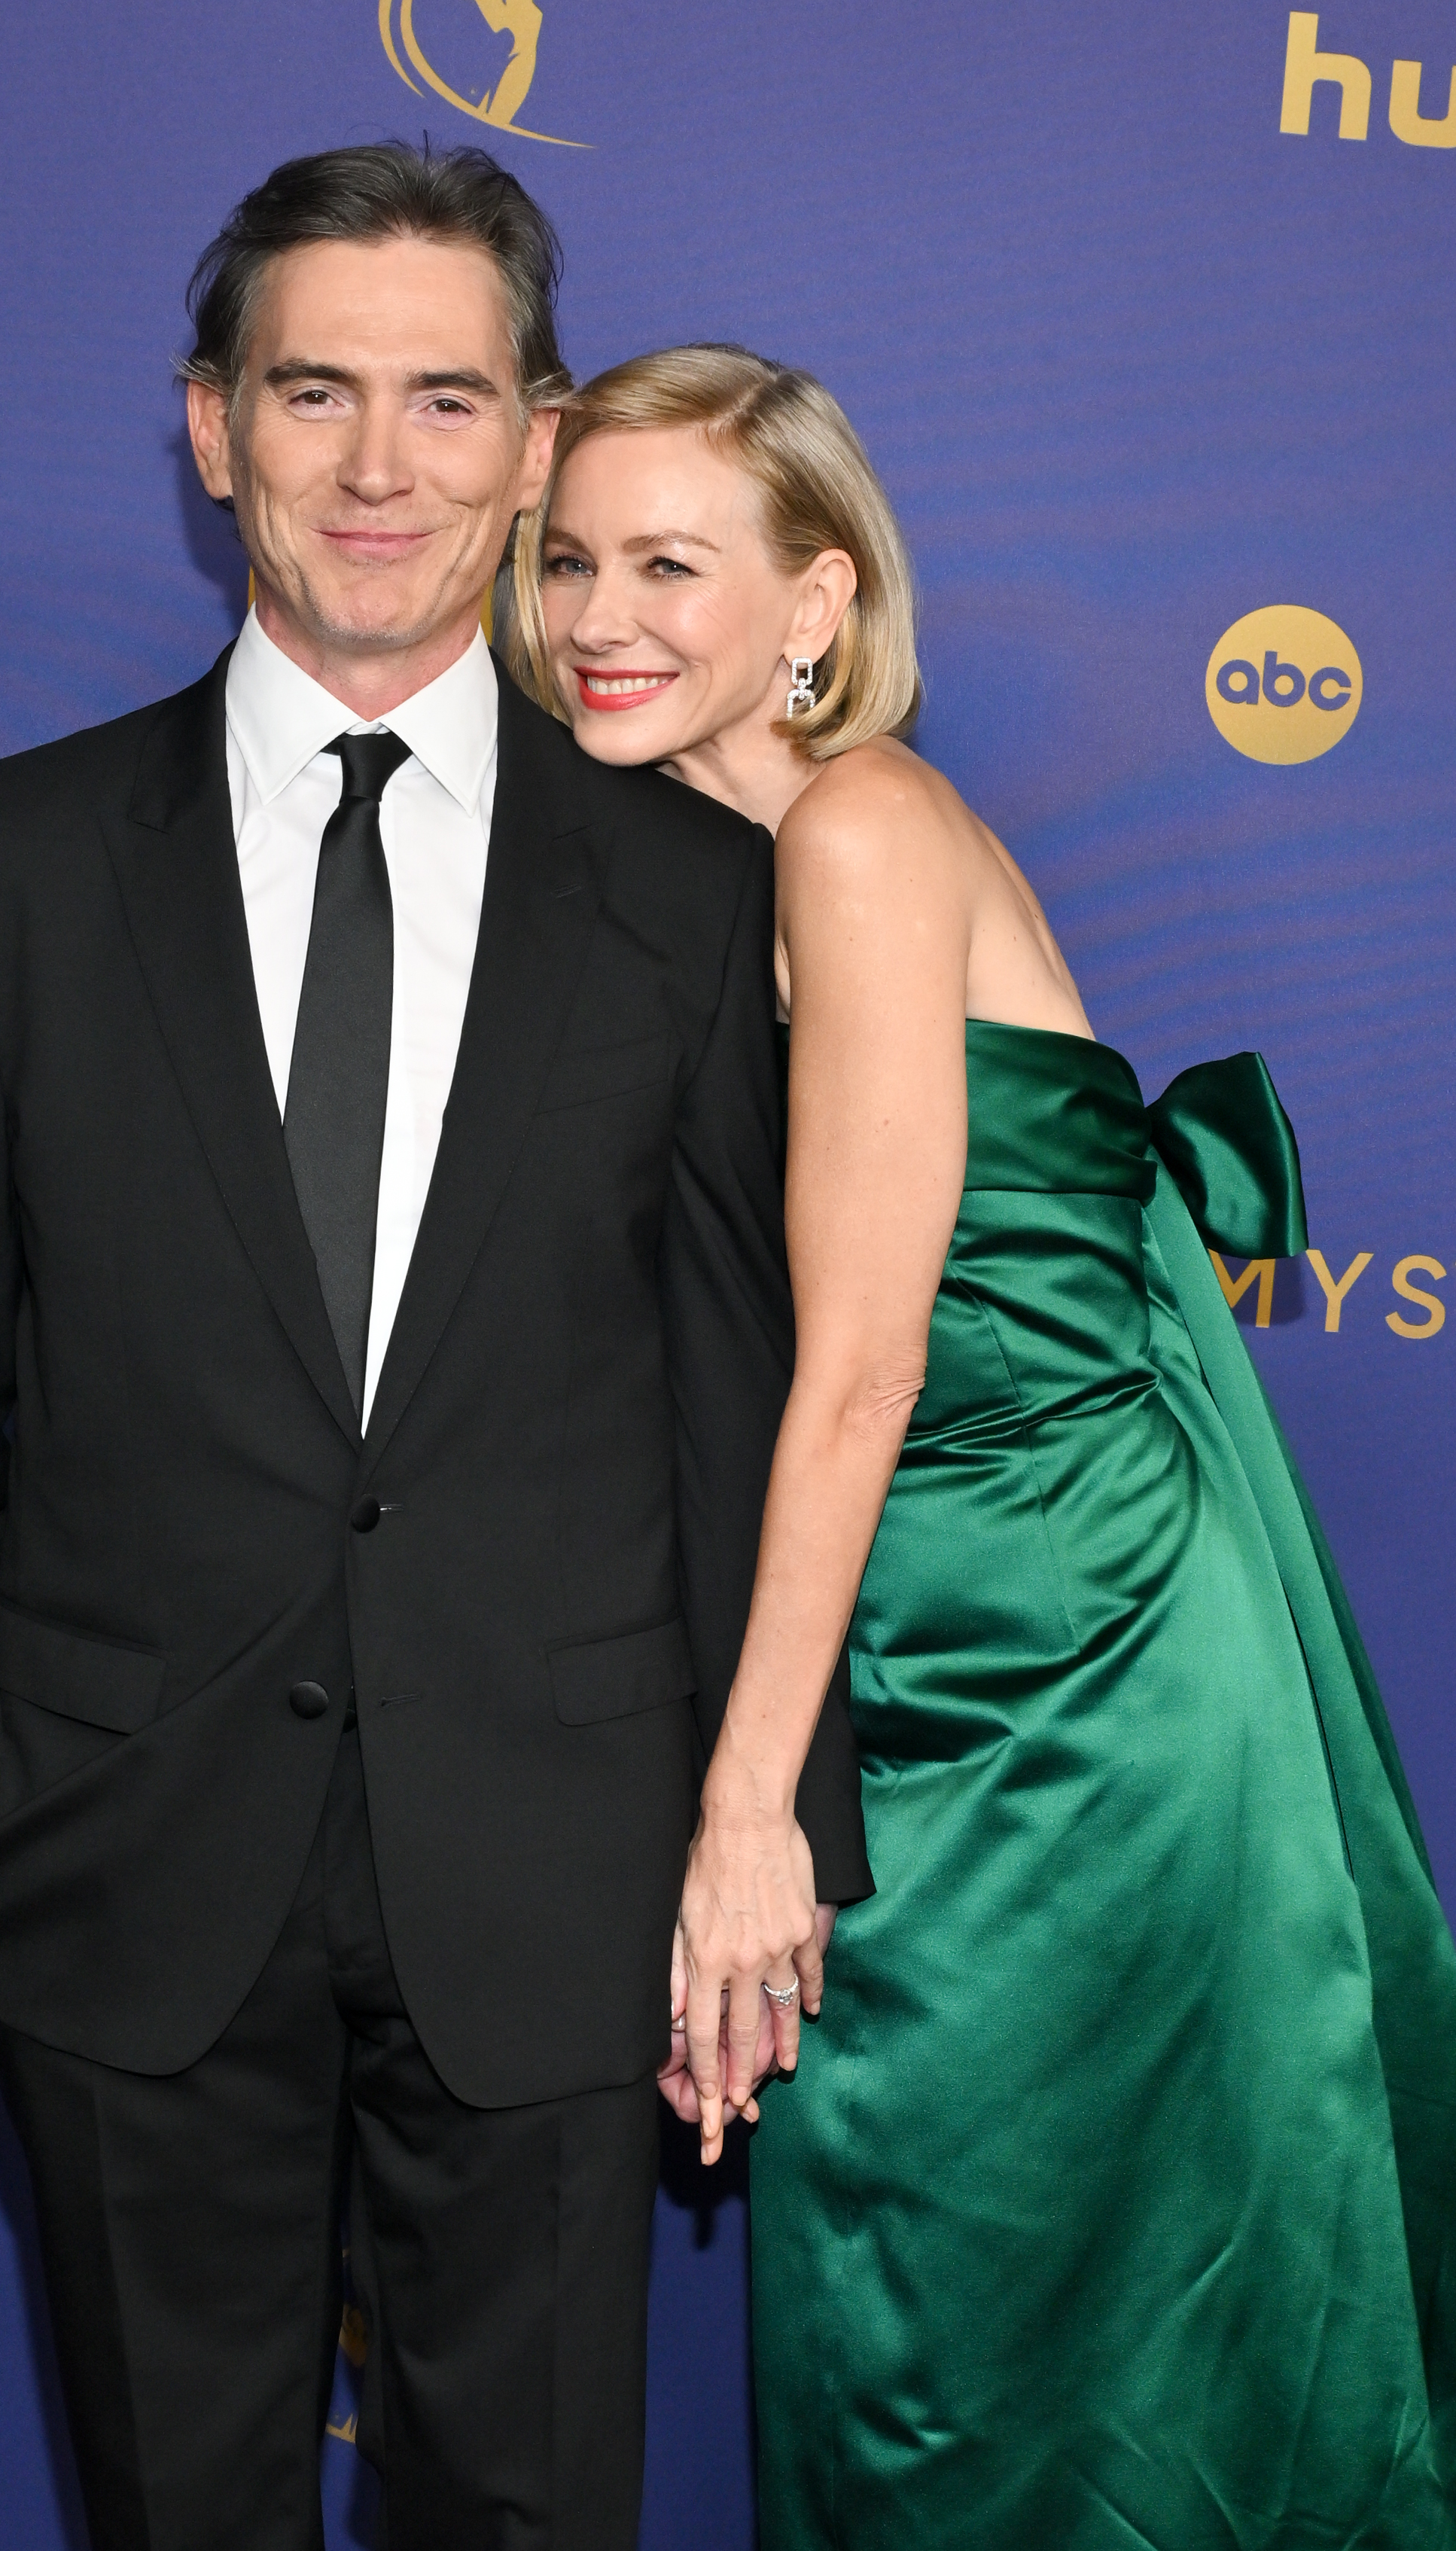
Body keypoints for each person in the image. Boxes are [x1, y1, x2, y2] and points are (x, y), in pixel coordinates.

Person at [0, 154, 870, 2551]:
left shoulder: (709, 899)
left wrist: (768, 1837)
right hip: (112, 1872)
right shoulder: (4, 864)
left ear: (533, 439)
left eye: (443, 398)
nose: (377, 467)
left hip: (565, 1878)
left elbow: (754, 1399)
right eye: (313, 393)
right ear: (213, 430)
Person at [509, 342, 1456, 2545]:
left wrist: (743, 1814)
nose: (597, 616)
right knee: (940, 2312)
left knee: (1023, 2316)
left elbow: (853, 1369)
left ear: (817, 603)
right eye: (567, 561)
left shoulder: (852, 829)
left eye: (670, 560)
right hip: (904, 1655)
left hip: (1066, 1678)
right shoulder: (676, 878)